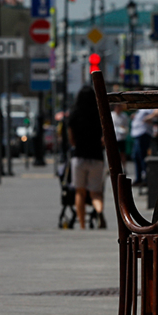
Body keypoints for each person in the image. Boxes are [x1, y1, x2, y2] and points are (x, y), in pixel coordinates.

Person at [66, 85, 106, 229]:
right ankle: (99, 211)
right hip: (96, 157)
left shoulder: (74, 114)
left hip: (79, 157)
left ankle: (82, 224)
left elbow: (71, 139)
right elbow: (104, 137)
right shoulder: (99, 114)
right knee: (95, 193)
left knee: (80, 192)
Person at [129, 107, 158, 185]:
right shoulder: (142, 108)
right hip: (138, 134)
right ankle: (139, 178)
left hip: (144, 133)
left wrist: (147, 118)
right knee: (136, 156)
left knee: (141, 156)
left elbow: (157, 113)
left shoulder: (152, 105)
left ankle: (145, 178)